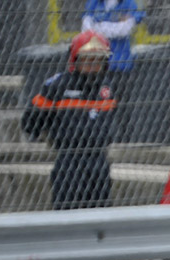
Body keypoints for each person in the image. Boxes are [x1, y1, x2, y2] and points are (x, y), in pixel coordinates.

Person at [22, 30, 116, 211]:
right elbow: (30, 121)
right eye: (87, 60)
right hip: (69, 160)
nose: (93, 66)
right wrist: (47, 132)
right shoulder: (58, 85)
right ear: (75, 60)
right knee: (67, 211)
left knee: (101, 213)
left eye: (98, 60)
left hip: (98, 159)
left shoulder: (106, 89)